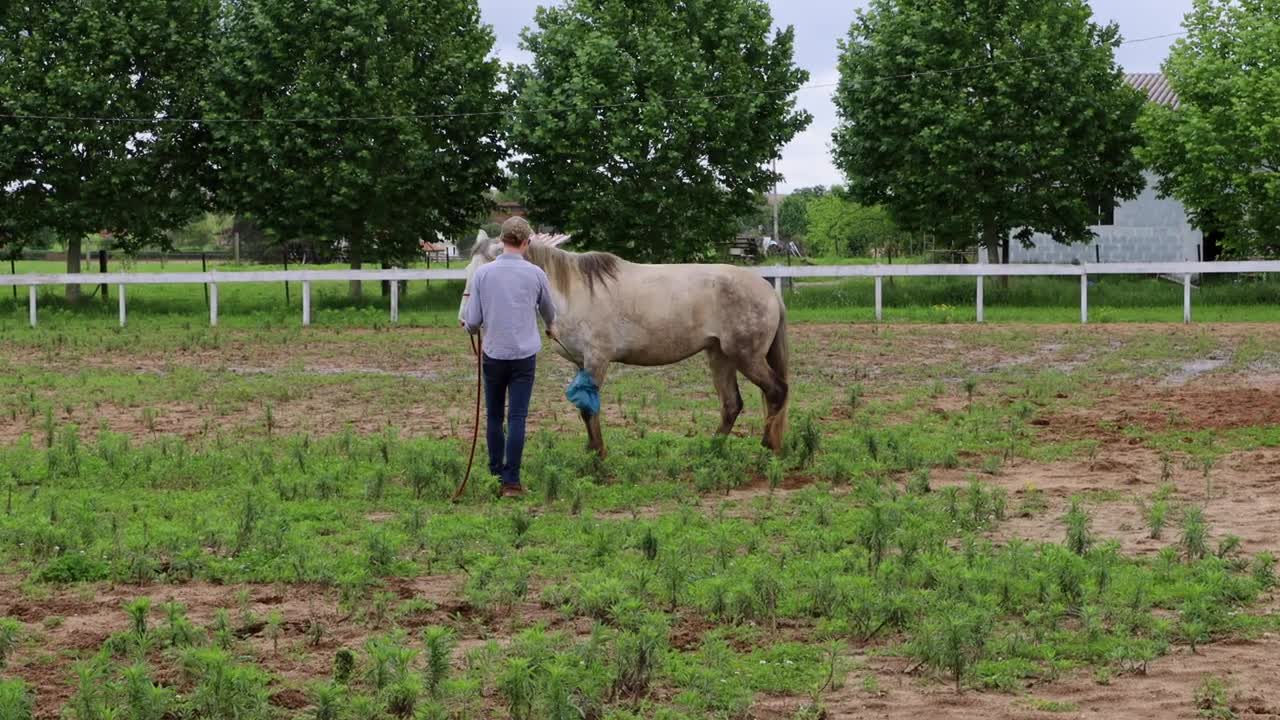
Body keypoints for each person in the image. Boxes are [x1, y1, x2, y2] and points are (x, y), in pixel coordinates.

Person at [461, 217, 557, 498]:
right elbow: (549, 311)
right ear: (526, 243)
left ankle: (494, 473)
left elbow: (474, 320)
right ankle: (511, 481)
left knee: (493, 416)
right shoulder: (536, 274)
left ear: (501, 241)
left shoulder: (483, 274)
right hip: (524, 355)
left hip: (494, 354)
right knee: (517, 416)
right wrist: (552, 327)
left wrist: (469, 326)